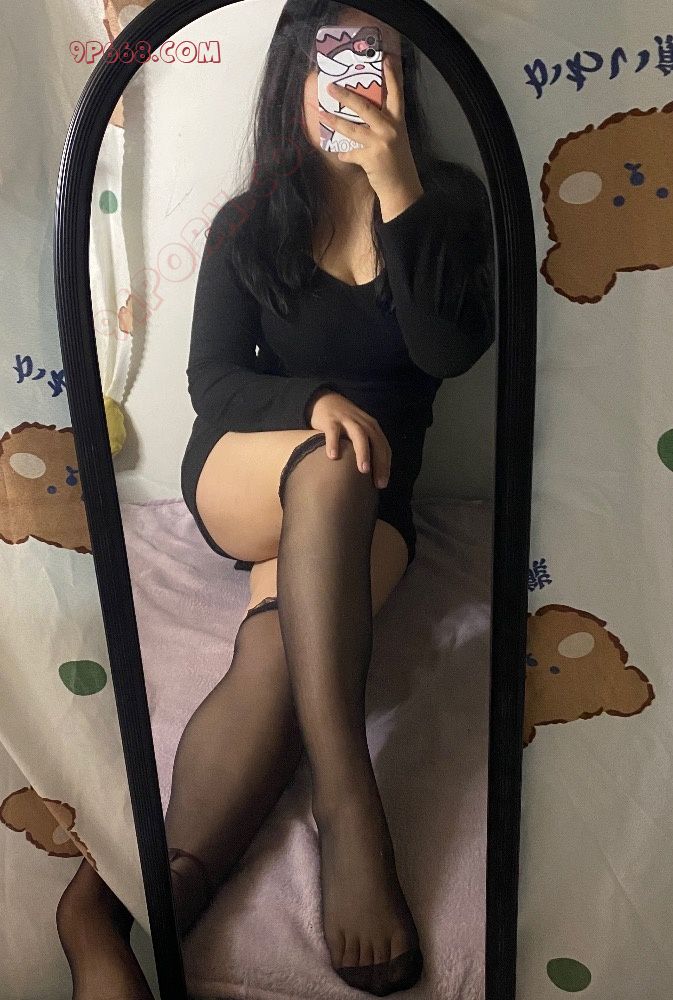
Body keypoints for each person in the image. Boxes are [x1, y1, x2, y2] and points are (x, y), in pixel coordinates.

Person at [55, 3, 494, 998]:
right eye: (330, 57)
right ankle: (348, 803)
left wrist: (396, 186)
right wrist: (314, 402)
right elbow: (213, 382)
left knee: (280, 655)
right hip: (247, 474)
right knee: (329, 460)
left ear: (405, 77)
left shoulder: (453, 202)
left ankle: (102, 912)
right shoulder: (251, 219)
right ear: (294, 78)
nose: (353, 77)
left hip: (370, 503)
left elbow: (448, 354)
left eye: (376, 56)